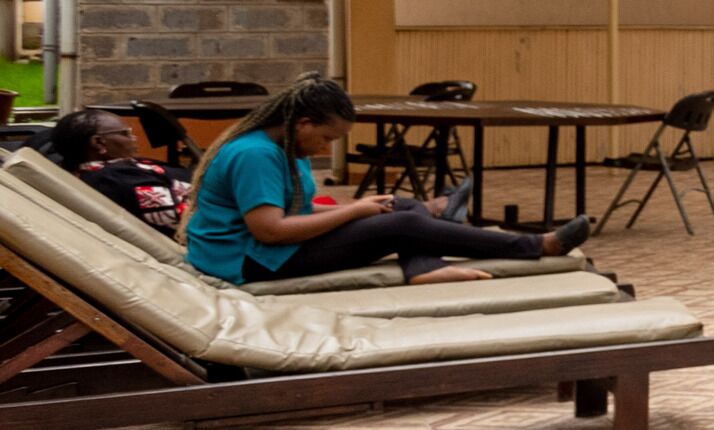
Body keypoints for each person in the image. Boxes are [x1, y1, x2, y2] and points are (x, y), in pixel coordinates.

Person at [184, 77, 593, 286]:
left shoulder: (289, 146)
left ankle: (423, 266)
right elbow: (270, 231)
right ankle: (538, 245)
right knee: (403, 222)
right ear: (303, 123)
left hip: (267, 251)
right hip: (248, 263)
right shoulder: (255, 154)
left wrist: (355, 211)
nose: (326, 146)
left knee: (402, 207)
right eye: (326, 137)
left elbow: (295, 212)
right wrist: (356, 211)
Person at [46, 106, 186, 235]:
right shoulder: (118, 179)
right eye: (126, 133)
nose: (133, 138)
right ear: (98, 142)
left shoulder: (97, 169)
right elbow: (183, 223)